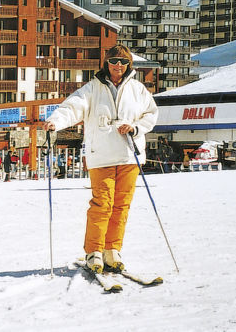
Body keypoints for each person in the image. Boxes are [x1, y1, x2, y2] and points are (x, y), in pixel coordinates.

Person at [44, 44, 158, 274]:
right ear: (106, 63)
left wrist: (135, 127)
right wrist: (56, 121)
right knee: (102, 204)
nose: (118, 66)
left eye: (123, 62)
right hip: (101, 155)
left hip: (129, 154)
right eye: (114, 61)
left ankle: (112, 249)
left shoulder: (138, 89)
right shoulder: (92, 89)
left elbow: (151, 114)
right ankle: (94, 250)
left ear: (129, 65)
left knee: (121, 205)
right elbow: (72, 108)